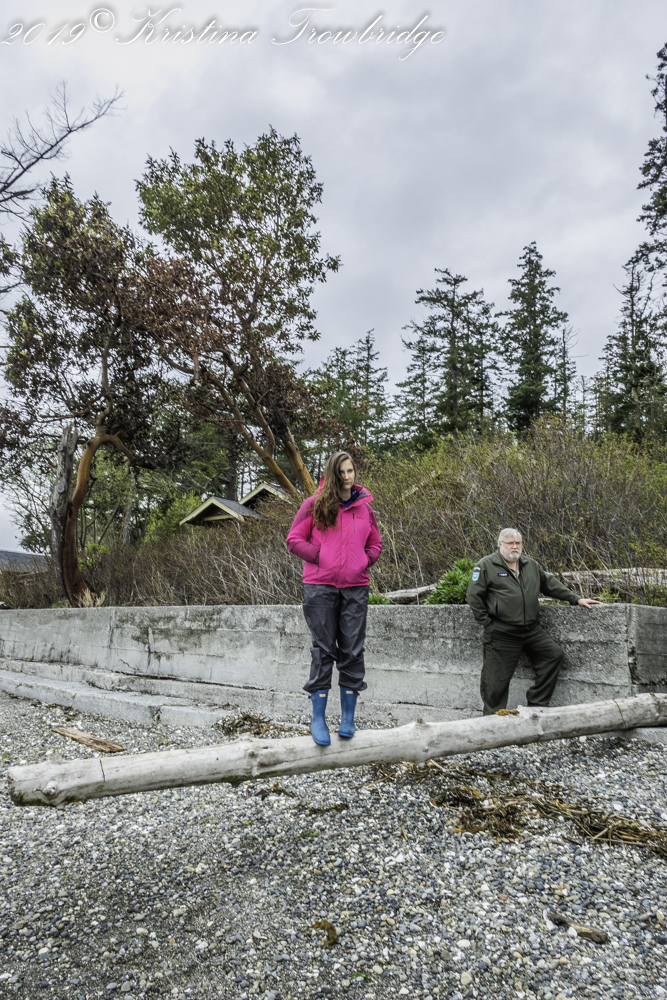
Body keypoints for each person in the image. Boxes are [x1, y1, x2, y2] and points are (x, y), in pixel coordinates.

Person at [286, 451, 382, 746]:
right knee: (323, 650)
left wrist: (363, 562)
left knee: (353, 650)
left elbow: (375, 543)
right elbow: (293, 540)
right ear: (331, 474)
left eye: (350, 471)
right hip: (320, 587)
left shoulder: (365, 508)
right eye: (341, 472)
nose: (347, 476)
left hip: (355, 587)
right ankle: (318, 718)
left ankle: (348, 718)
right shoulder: (313, 505)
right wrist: (321, 557)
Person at [466, 528, 601, 715]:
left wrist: (576, 598)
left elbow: (550, 585)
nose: (515, 547)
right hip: (502, 633)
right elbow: (473, 596)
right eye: (510, 543)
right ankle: (492, 720)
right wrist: (488, 623)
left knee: (553, 655)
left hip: (531, 629)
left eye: (518, 543)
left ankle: (536, 705)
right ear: (500, 544)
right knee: (495, 682)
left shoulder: (530, 565)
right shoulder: (486, 565)